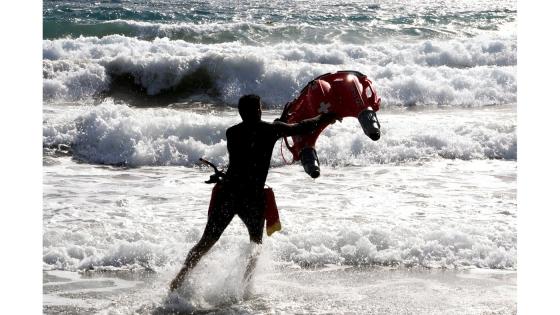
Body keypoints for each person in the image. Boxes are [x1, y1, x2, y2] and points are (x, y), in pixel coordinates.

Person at [169, 94, 338, 291]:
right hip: (251, 198)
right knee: (255, 244)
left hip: (230, 192)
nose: (259, 111)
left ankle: (178, 281)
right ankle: (245, 287)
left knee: (209, 242)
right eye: (257, 109)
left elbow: (248, 151)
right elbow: (301, 128)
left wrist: (279, 124)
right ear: (250, 112)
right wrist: (324, 118)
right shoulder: (270, 130)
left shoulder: (232, 133)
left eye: (259, 109)